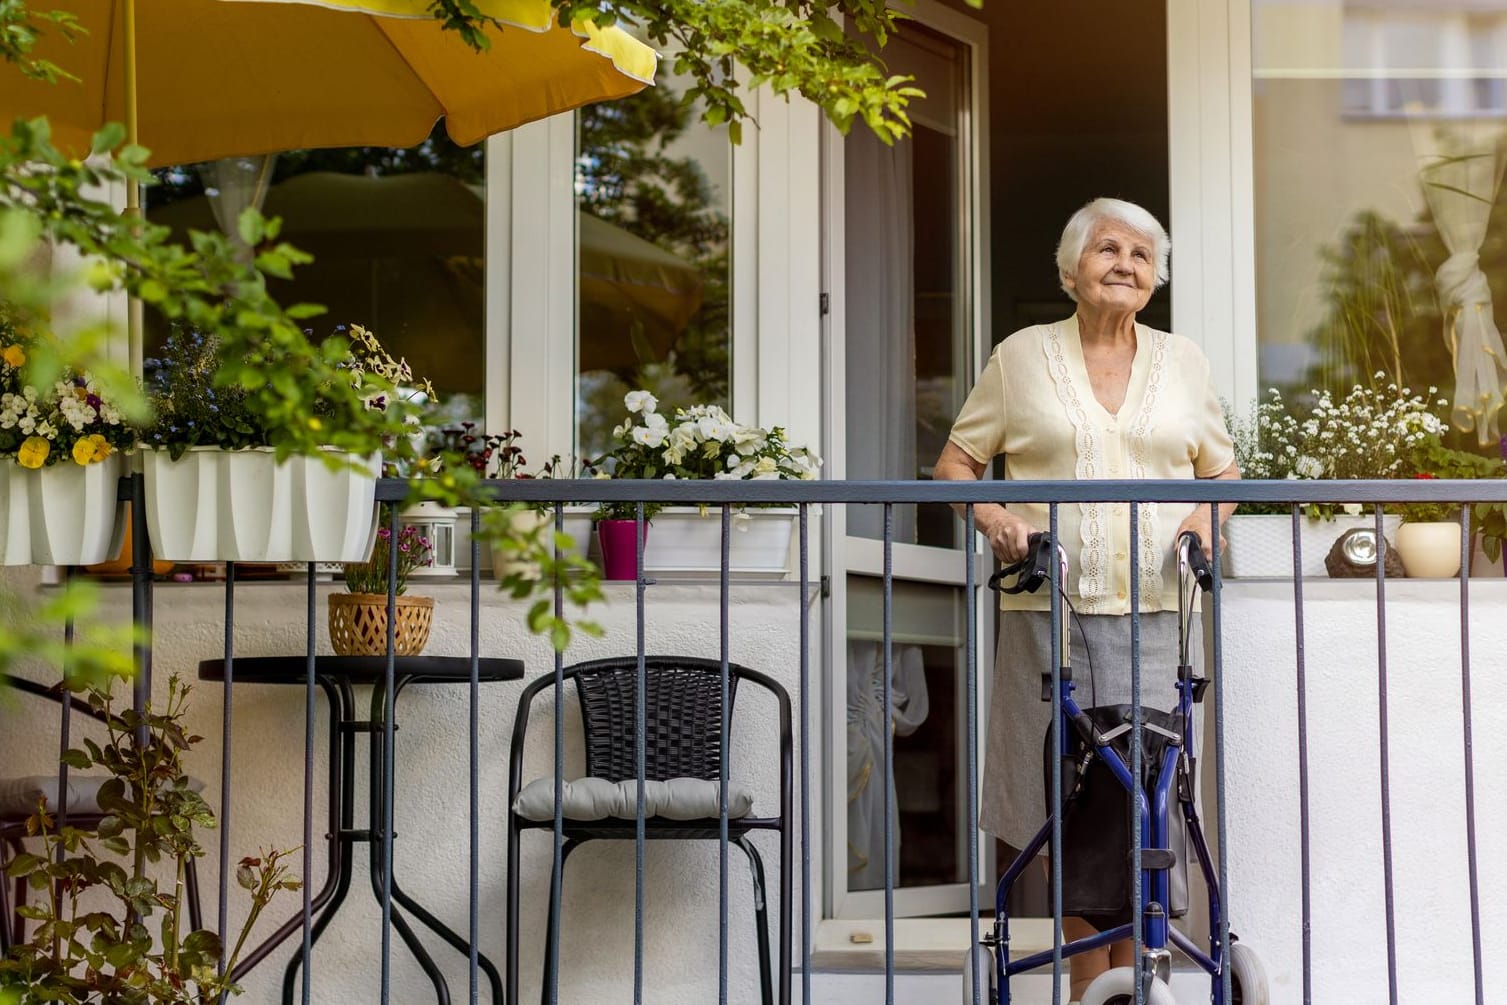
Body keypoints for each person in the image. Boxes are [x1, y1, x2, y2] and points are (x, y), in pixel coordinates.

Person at [933, 197, 1240, 1000]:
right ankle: (1086, 977)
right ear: (1071, 269)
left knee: (1145, 791)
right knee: (1068, 793)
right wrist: (994, 517)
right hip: (1052, 610)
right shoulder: (1020, 357)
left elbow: (1220, 474)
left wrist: (1203, 525)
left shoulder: (1184, 362)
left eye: (1141, 255)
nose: (1125, 264)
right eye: (1107, 248)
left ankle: (1138, 968)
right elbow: (955, 466)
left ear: (1153, 280)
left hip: (1158, 614)